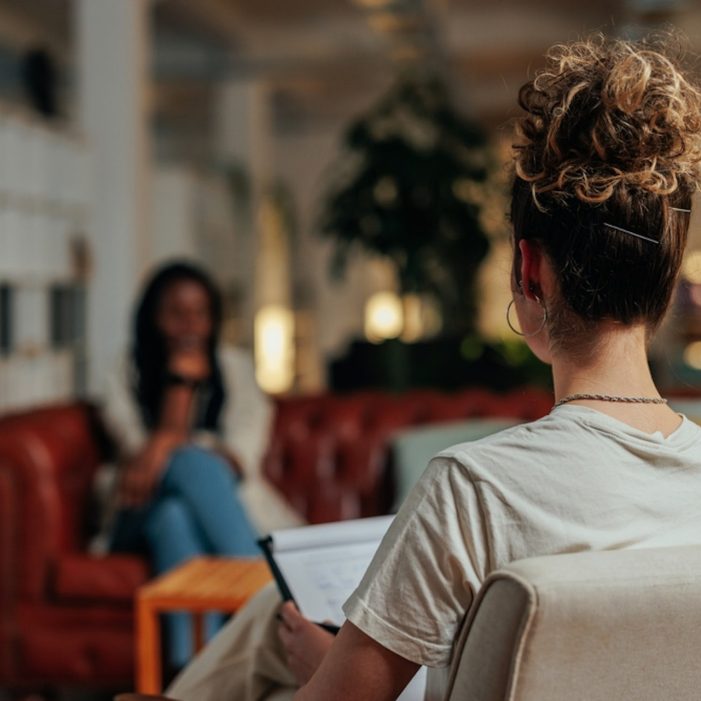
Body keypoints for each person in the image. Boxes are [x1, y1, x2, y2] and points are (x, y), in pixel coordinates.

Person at [159, 34, 701, 701]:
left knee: (275, 644)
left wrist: (327, 675)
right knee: (269, 623)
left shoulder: (473, 489)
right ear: (666, 279)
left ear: (527, 273)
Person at [101, 261, 302, 670]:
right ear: (152, 318)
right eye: (176, 313)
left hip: (182, 511)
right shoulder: (124, 372)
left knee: (174, 515)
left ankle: (193, 676)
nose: (189, 325)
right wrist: (179, 387)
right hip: (133, 510)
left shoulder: (237, 369)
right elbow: (143, 465)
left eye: (200, 312)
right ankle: (271, 605)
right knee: (188, 465)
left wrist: (169, 444)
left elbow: (238, 459)